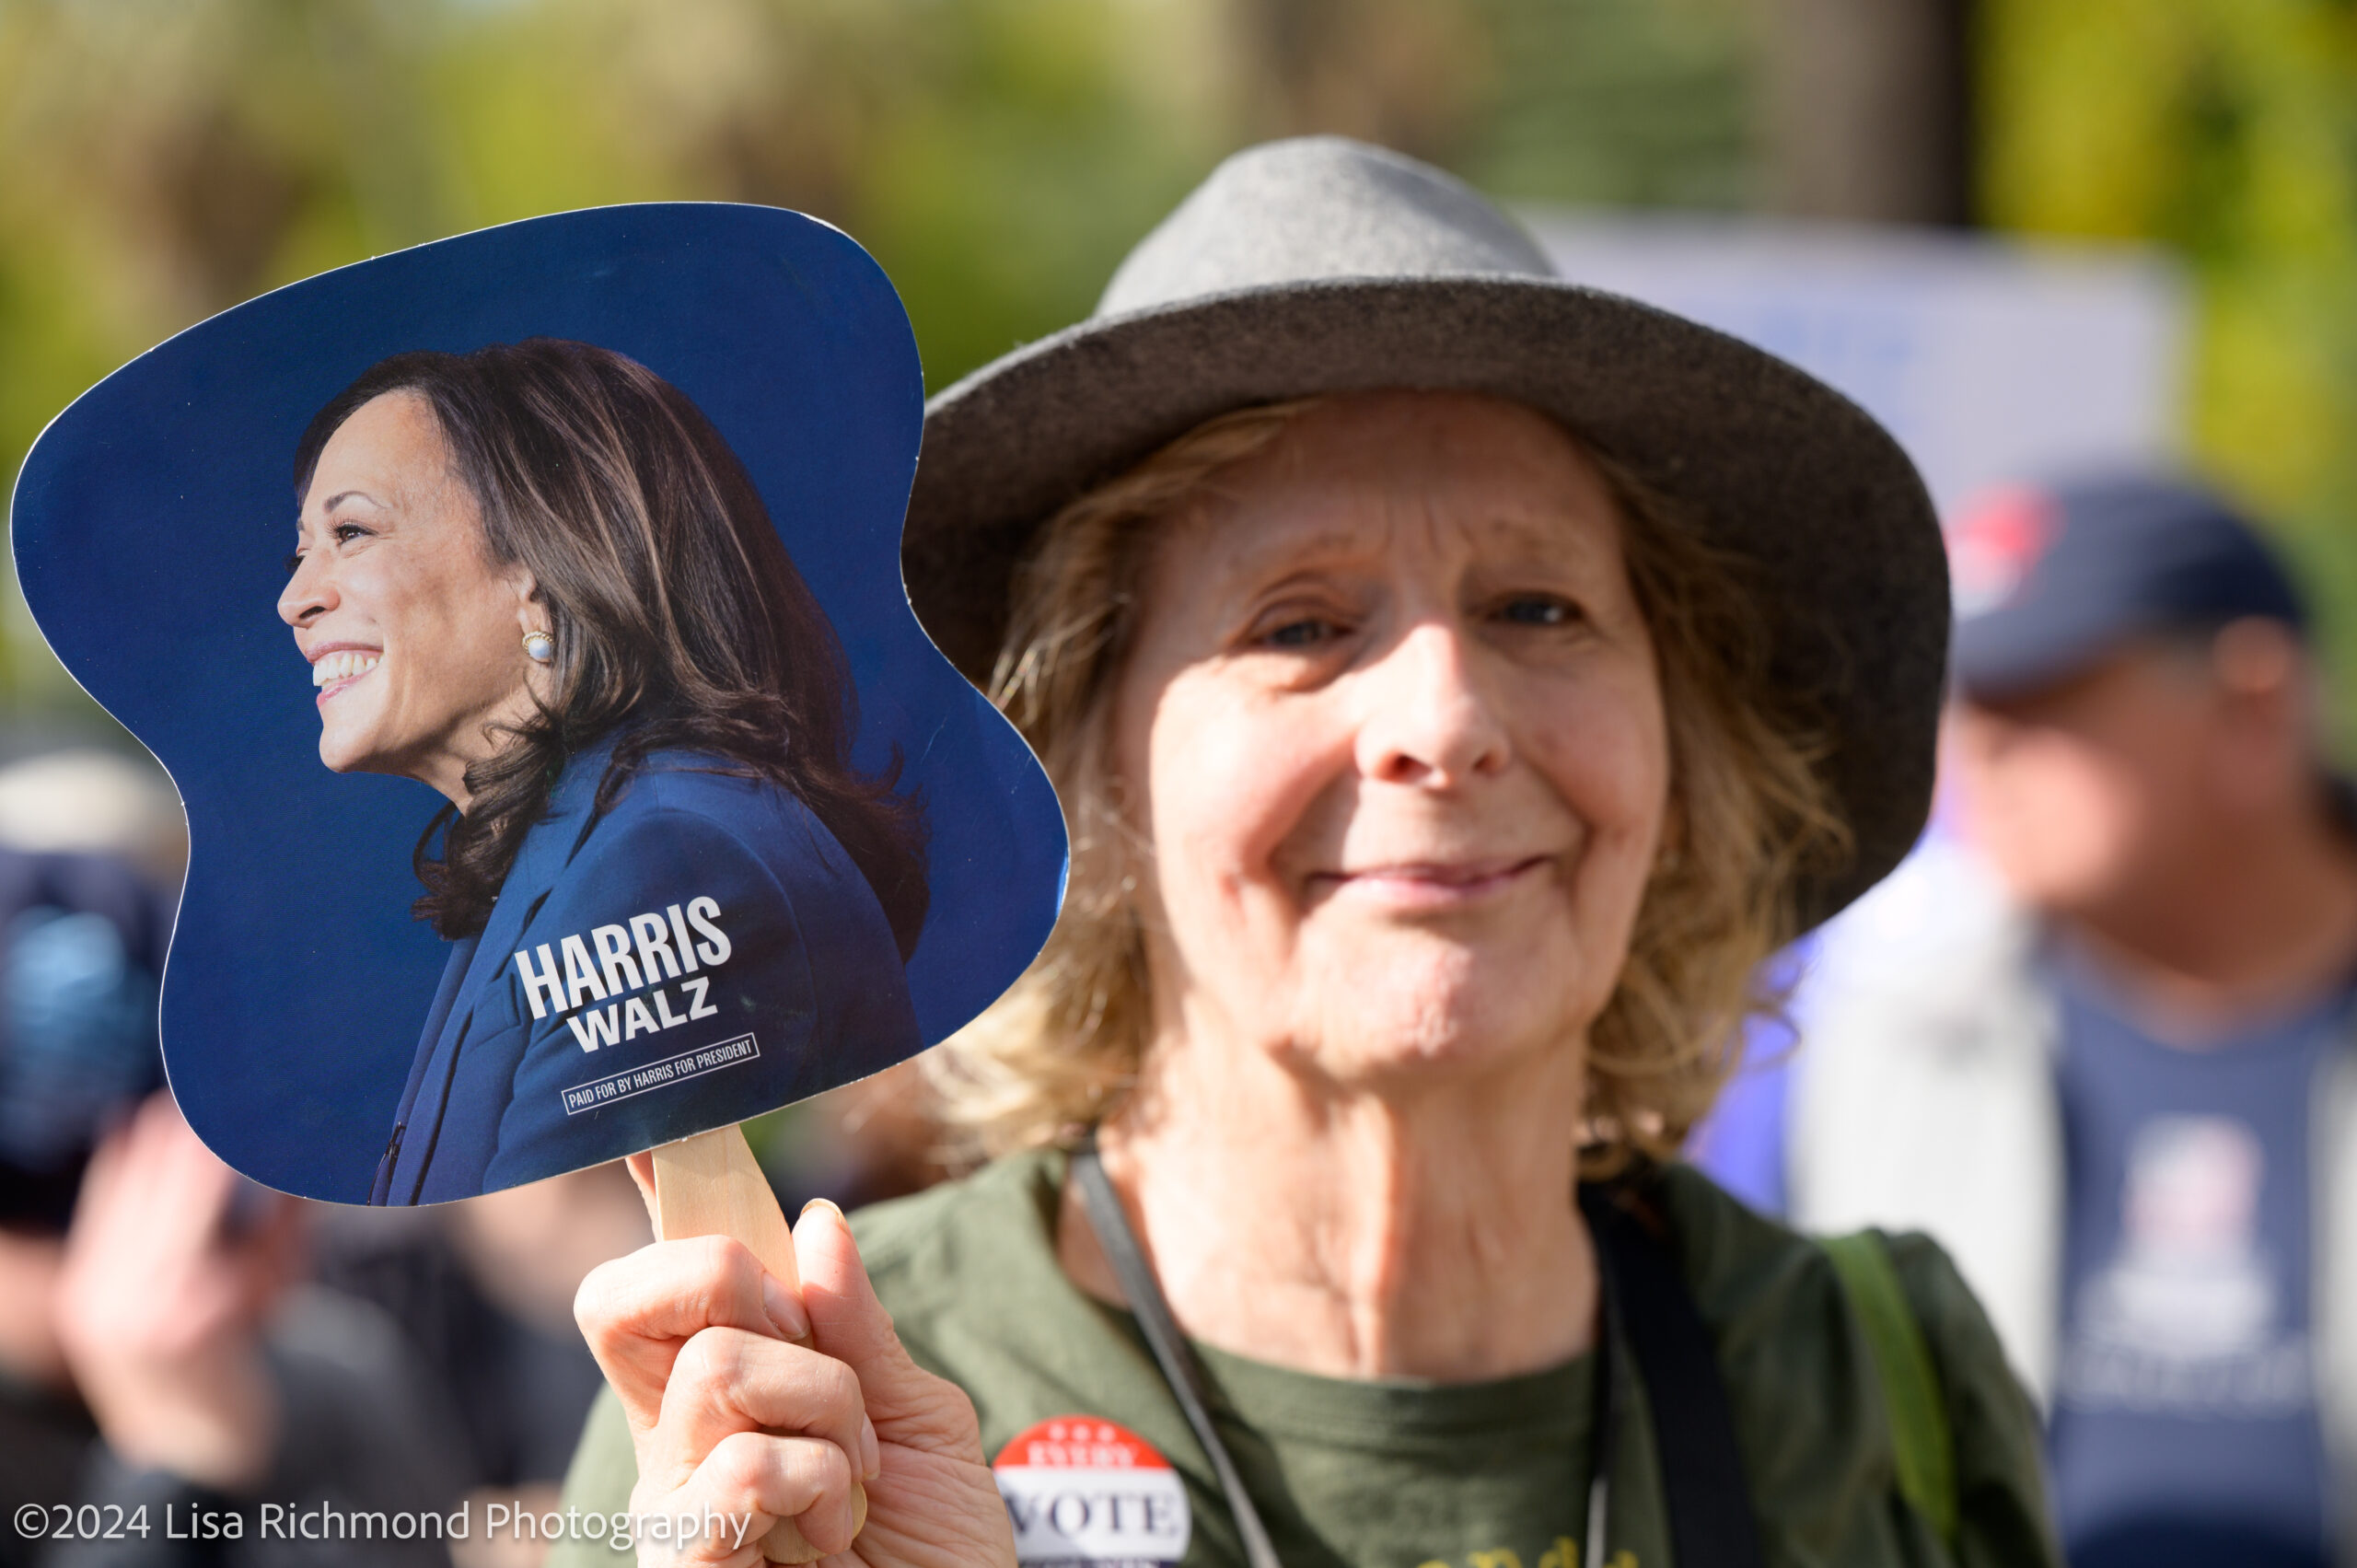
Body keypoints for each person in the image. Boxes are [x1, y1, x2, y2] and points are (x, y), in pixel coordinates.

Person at [553, 137, 2057, 1567]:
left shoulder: (1873, 1380)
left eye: (1540, 607)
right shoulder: (787, 1407)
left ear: (1684, 740)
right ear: (1085, 761)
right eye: (1300, 624)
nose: (1446, 718)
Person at [1790, 473, 2357, 1568]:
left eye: (2045, 694)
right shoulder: (1891, 1040)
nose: (1981, 748)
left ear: (2253, 707)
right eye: (1968, 699)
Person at [277, 340, 929, 1204]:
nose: (295, 599)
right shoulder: (577, 861)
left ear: (541, 566)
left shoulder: (670, 862)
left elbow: (578, 1294)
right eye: (303, 550)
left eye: (350, 532)